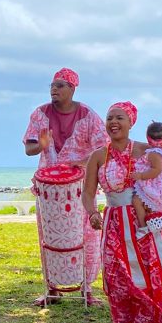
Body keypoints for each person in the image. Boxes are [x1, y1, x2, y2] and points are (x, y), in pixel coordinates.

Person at [82, 101, 162, 323]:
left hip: (143, 222)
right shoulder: (98, 156)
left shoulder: (146, 151)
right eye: (109, 118)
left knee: (147, 274)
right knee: (116, 275)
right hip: (113, 222)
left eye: (119, 118)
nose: (113, 123)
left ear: (131, 123)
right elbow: (88, 192)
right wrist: (92, 213)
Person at [23, 68, 107, 306]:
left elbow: (104, 149)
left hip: (80, 186)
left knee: (86, 236)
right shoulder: (40, 114)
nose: (54, 89)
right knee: (48, 237)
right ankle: (52, 287)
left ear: (73, 88)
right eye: (52, 85)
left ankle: (86, 289)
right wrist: (41, 145)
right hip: (49, 190)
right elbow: (29, 149)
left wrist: (83, 164)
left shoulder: (88, 115)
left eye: (60, 85)